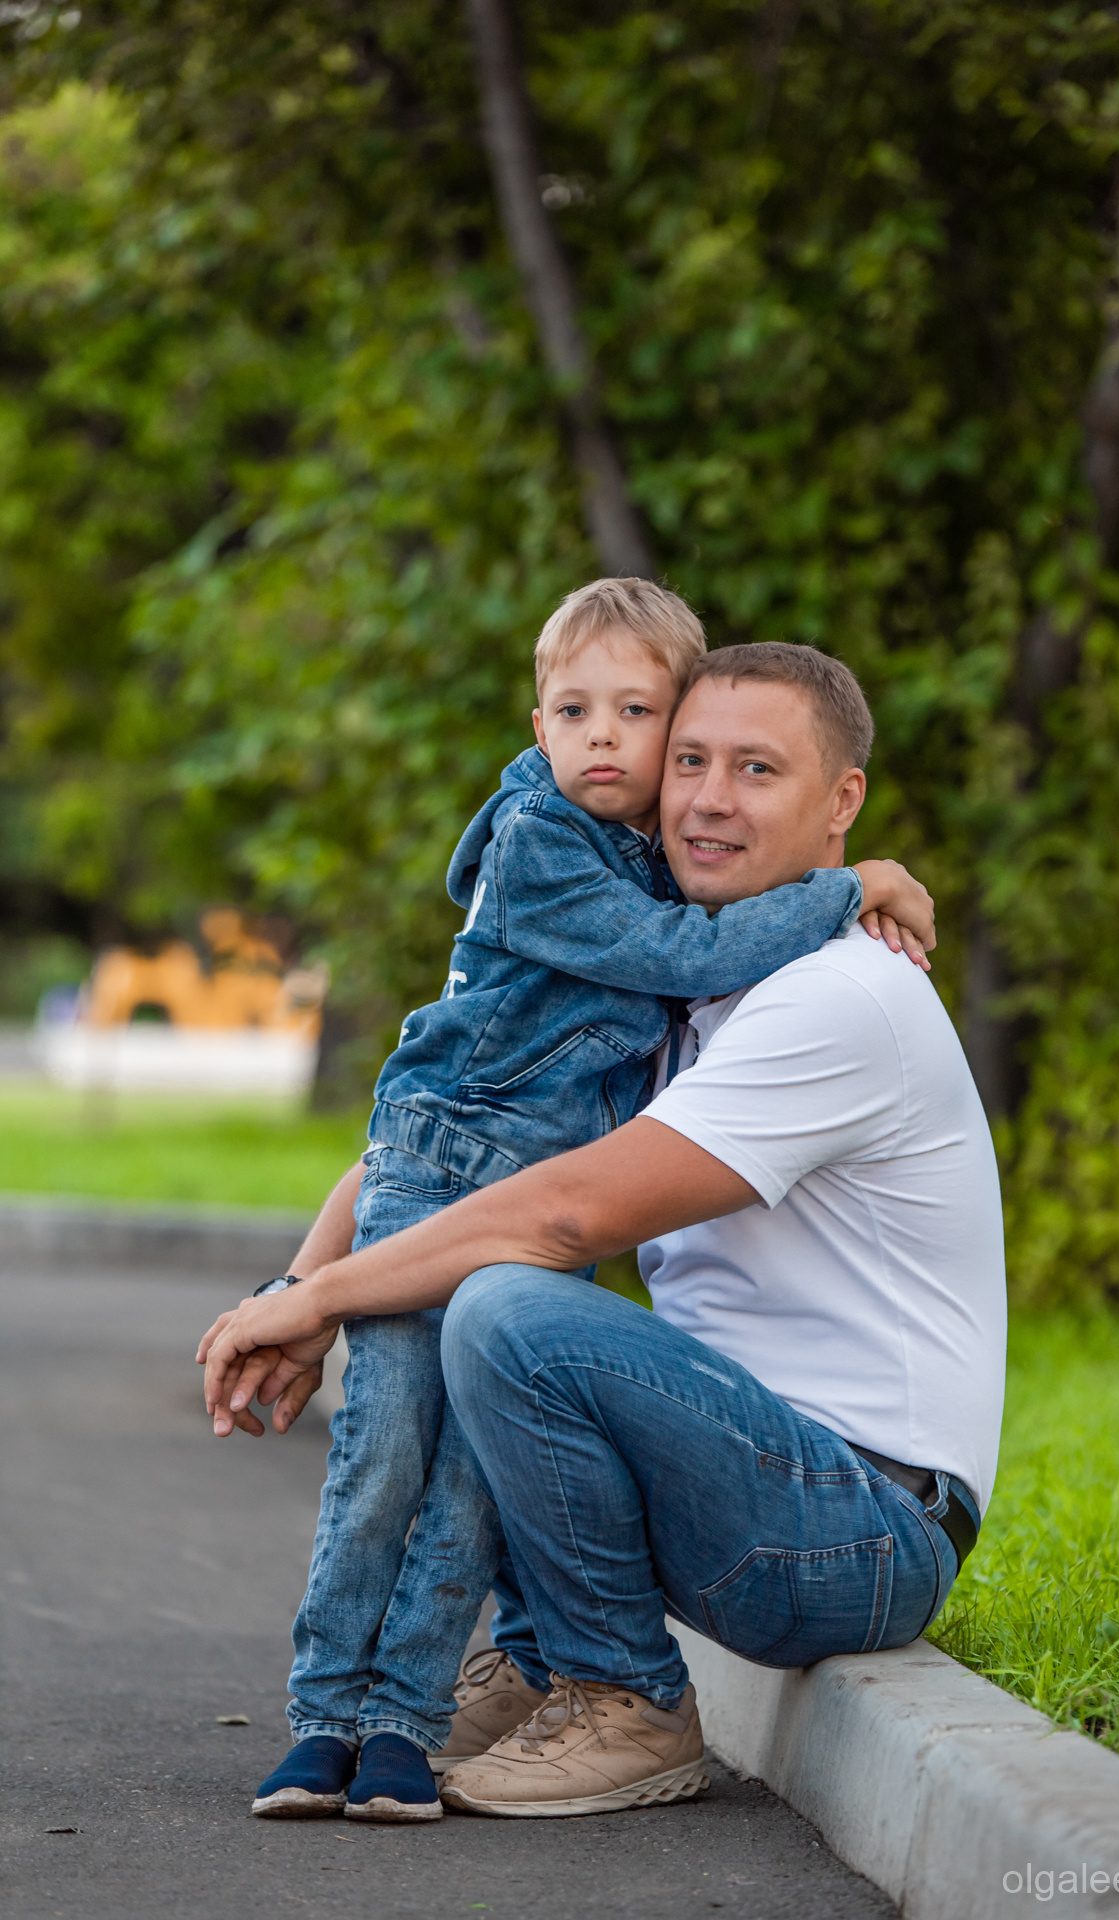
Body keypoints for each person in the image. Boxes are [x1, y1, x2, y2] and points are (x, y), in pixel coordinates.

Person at [202, 641, 1006, 1824]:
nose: (709, 799)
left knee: (510, 1310)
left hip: (858, 1529)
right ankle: (535, 1661)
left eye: (756, 770)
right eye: (688, 760)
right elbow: (445, 1143)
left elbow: (561, 1211)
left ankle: (624, 1695)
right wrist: (306, 1281)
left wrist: (317, 1304)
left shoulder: (836, 996)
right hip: (748, 1479)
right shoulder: (689, 993)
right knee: (498, 1298)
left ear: (841, 805)